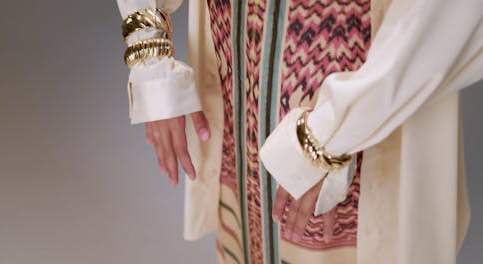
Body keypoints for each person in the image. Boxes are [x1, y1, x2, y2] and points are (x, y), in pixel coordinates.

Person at [116, 0, 483, 263]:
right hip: (237, 77)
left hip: (370, 104)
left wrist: (329, 136)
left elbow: (451, 13)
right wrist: (150, 56)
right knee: (249, 241)